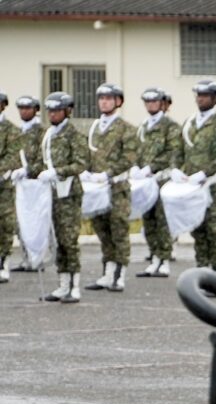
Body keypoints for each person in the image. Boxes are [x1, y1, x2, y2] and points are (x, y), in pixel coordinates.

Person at [174, 80, 216, 274]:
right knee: (198, 229)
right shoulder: (189, 123)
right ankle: (202, 270)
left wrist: (205, 172)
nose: (200, 99)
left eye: (205, 96)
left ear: (215, 99)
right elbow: (179, 150)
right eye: (198, 95)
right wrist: (176, 168)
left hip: (213, 185)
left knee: (214, 229)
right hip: (192, 185)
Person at [83, 83, 139, 293]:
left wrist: (107, 174)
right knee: (102, 230)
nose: (104, 101)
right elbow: (89, 153)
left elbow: (129, 157)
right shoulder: (94, 128)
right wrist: (86, 171)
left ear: (118, 102)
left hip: (117, 188)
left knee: (118, 231)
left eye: (109, 98)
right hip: (97, 189)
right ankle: (107, 272)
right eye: (101, 98)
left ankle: (119, 275)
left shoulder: (127, 129)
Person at [38, 92, 90, 302]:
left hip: (68, 193)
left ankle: (74, 286)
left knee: (69, 240)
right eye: (50, 110)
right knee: (57, 240)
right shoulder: (49, 134)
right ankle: (62, 284)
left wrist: (58, 171)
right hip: (51, 193)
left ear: (67, 111)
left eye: (57, 110)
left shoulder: (74, 135)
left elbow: (80, 164)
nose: (52, 114)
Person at [134, 87, 182, 278]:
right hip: (145, 181)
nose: (151, 105)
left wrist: (152, 167)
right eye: (148, 102)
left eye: (154, 102)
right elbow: (137, 150)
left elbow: (172, 151)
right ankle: (154, 258)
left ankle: (163, 260)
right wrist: (136, 167)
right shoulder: (143, 126)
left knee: (162, 221)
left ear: (162, 103)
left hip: (162, 178)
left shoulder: (170, 126)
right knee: (149, 220)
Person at [7, 95, 45, 274]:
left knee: (38, 221)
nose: (24, 111)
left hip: (37, 183)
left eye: (28, 108)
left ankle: (39, 258)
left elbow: (44, 157)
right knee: (21, 221)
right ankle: (26, 258)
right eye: (21, 108)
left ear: (36, 109)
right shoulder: (17, 131)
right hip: (19, 183)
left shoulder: (41, 132)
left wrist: (29, 170)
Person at [0, 90, 19, 282]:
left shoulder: (11, 130)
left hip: (3, 185)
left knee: (5, 224)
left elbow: (13, 156)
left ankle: (3, 261)